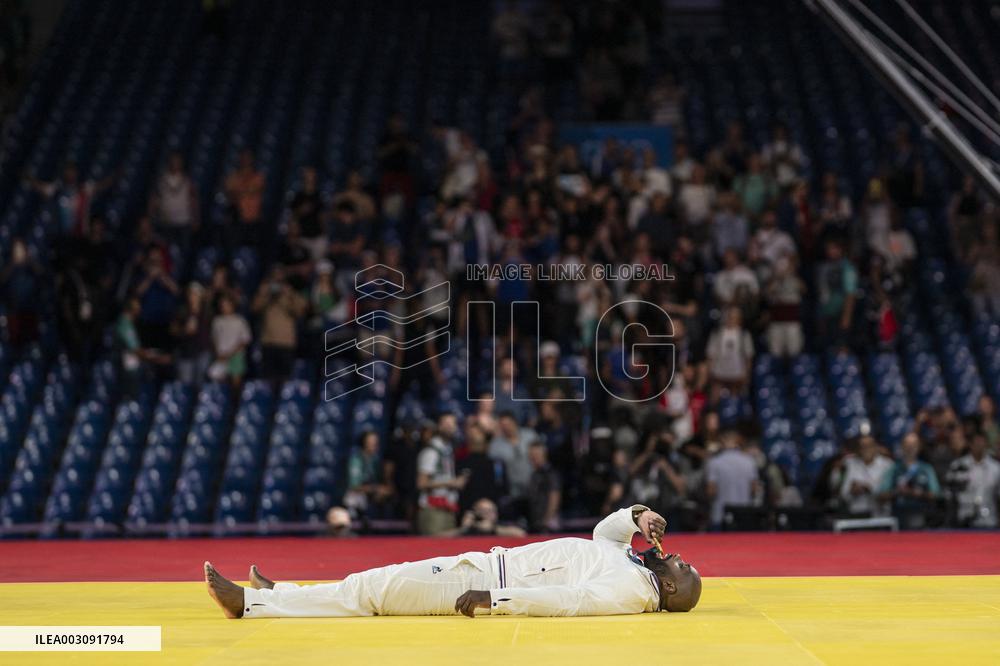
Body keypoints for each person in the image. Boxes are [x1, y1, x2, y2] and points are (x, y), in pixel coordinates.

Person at [203, 504, 701, 618]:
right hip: (484, 565)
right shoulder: (631, 564)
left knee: (374, 591)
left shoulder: (633, 592)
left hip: (486, 580)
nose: (679, 557)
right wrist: (638, 515)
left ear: (673, 590)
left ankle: (250, 606)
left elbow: (568, 601)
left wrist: (498, 601)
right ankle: (281, 593)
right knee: (373, 582)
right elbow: (602, 534)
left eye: (686, 568)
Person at [416, 414, 466, 535]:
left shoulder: (448, 450)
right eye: (446, 424)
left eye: (452, 424)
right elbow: (421, 483)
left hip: (448, 508)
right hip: (433, 510)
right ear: (439, 426)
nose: (450, 427)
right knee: (433, 549)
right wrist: (451, 483)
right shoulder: (432, 451)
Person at [879, 432, 941, 529]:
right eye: (907, 445)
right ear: (902, 447)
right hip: (898, 516)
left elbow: (936, 494)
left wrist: (919, 493)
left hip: (922, 515)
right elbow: (881, 494)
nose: (910, 448)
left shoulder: (926, 468)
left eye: (913, 445)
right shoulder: (894, 469)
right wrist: (897, 492)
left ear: (919, 447)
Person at [705, 429, 759, 529]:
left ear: (722, 442)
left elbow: (711, 491)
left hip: (720, 517)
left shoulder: (714, 462)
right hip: (744, 515)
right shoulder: (750, 462)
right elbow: (754, 490)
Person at [946, 432, 1000, 528]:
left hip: (989, 519)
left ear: (986, 444)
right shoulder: (958, 465)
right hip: (964, 519)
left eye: (981, 442)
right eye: (976, 443)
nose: (979, 446)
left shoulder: (996, 468)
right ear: (970, 444)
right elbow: (950, 493)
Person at [838, 435, 893, 516]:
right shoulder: (850, 463)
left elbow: (890, 493)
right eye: (862, 446)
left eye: (869, 446)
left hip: (880, 515)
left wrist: (869, 488)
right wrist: (852, 491)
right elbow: (843, 494)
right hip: (855, 515)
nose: (866, 449)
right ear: (858, 449)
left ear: (876, 447)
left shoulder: (887, 464)